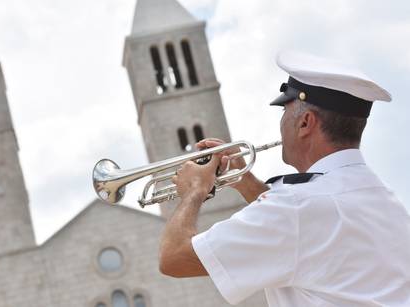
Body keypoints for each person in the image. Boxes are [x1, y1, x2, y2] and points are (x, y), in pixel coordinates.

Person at [159, 51, 410, 306]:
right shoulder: (387, 201)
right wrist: (244, 181)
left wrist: (193, 191)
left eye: (285, 112)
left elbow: (174, 258)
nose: (281, 123)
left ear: (305, 123)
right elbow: (304, 230)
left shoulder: (295, 207)